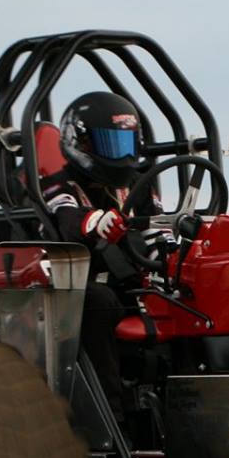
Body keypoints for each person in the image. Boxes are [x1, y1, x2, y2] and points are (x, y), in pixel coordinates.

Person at [47, 92, 156, 401]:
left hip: (133, 274)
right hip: (75, 281)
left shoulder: (137, 183)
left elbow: (155, 223)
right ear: (80, 145)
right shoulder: (59, 184)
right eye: (110, 144)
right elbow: (67, 219)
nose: (120, 156)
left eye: (125, 144)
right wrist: (96, 222)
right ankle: (112, 408)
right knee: (102, 301)